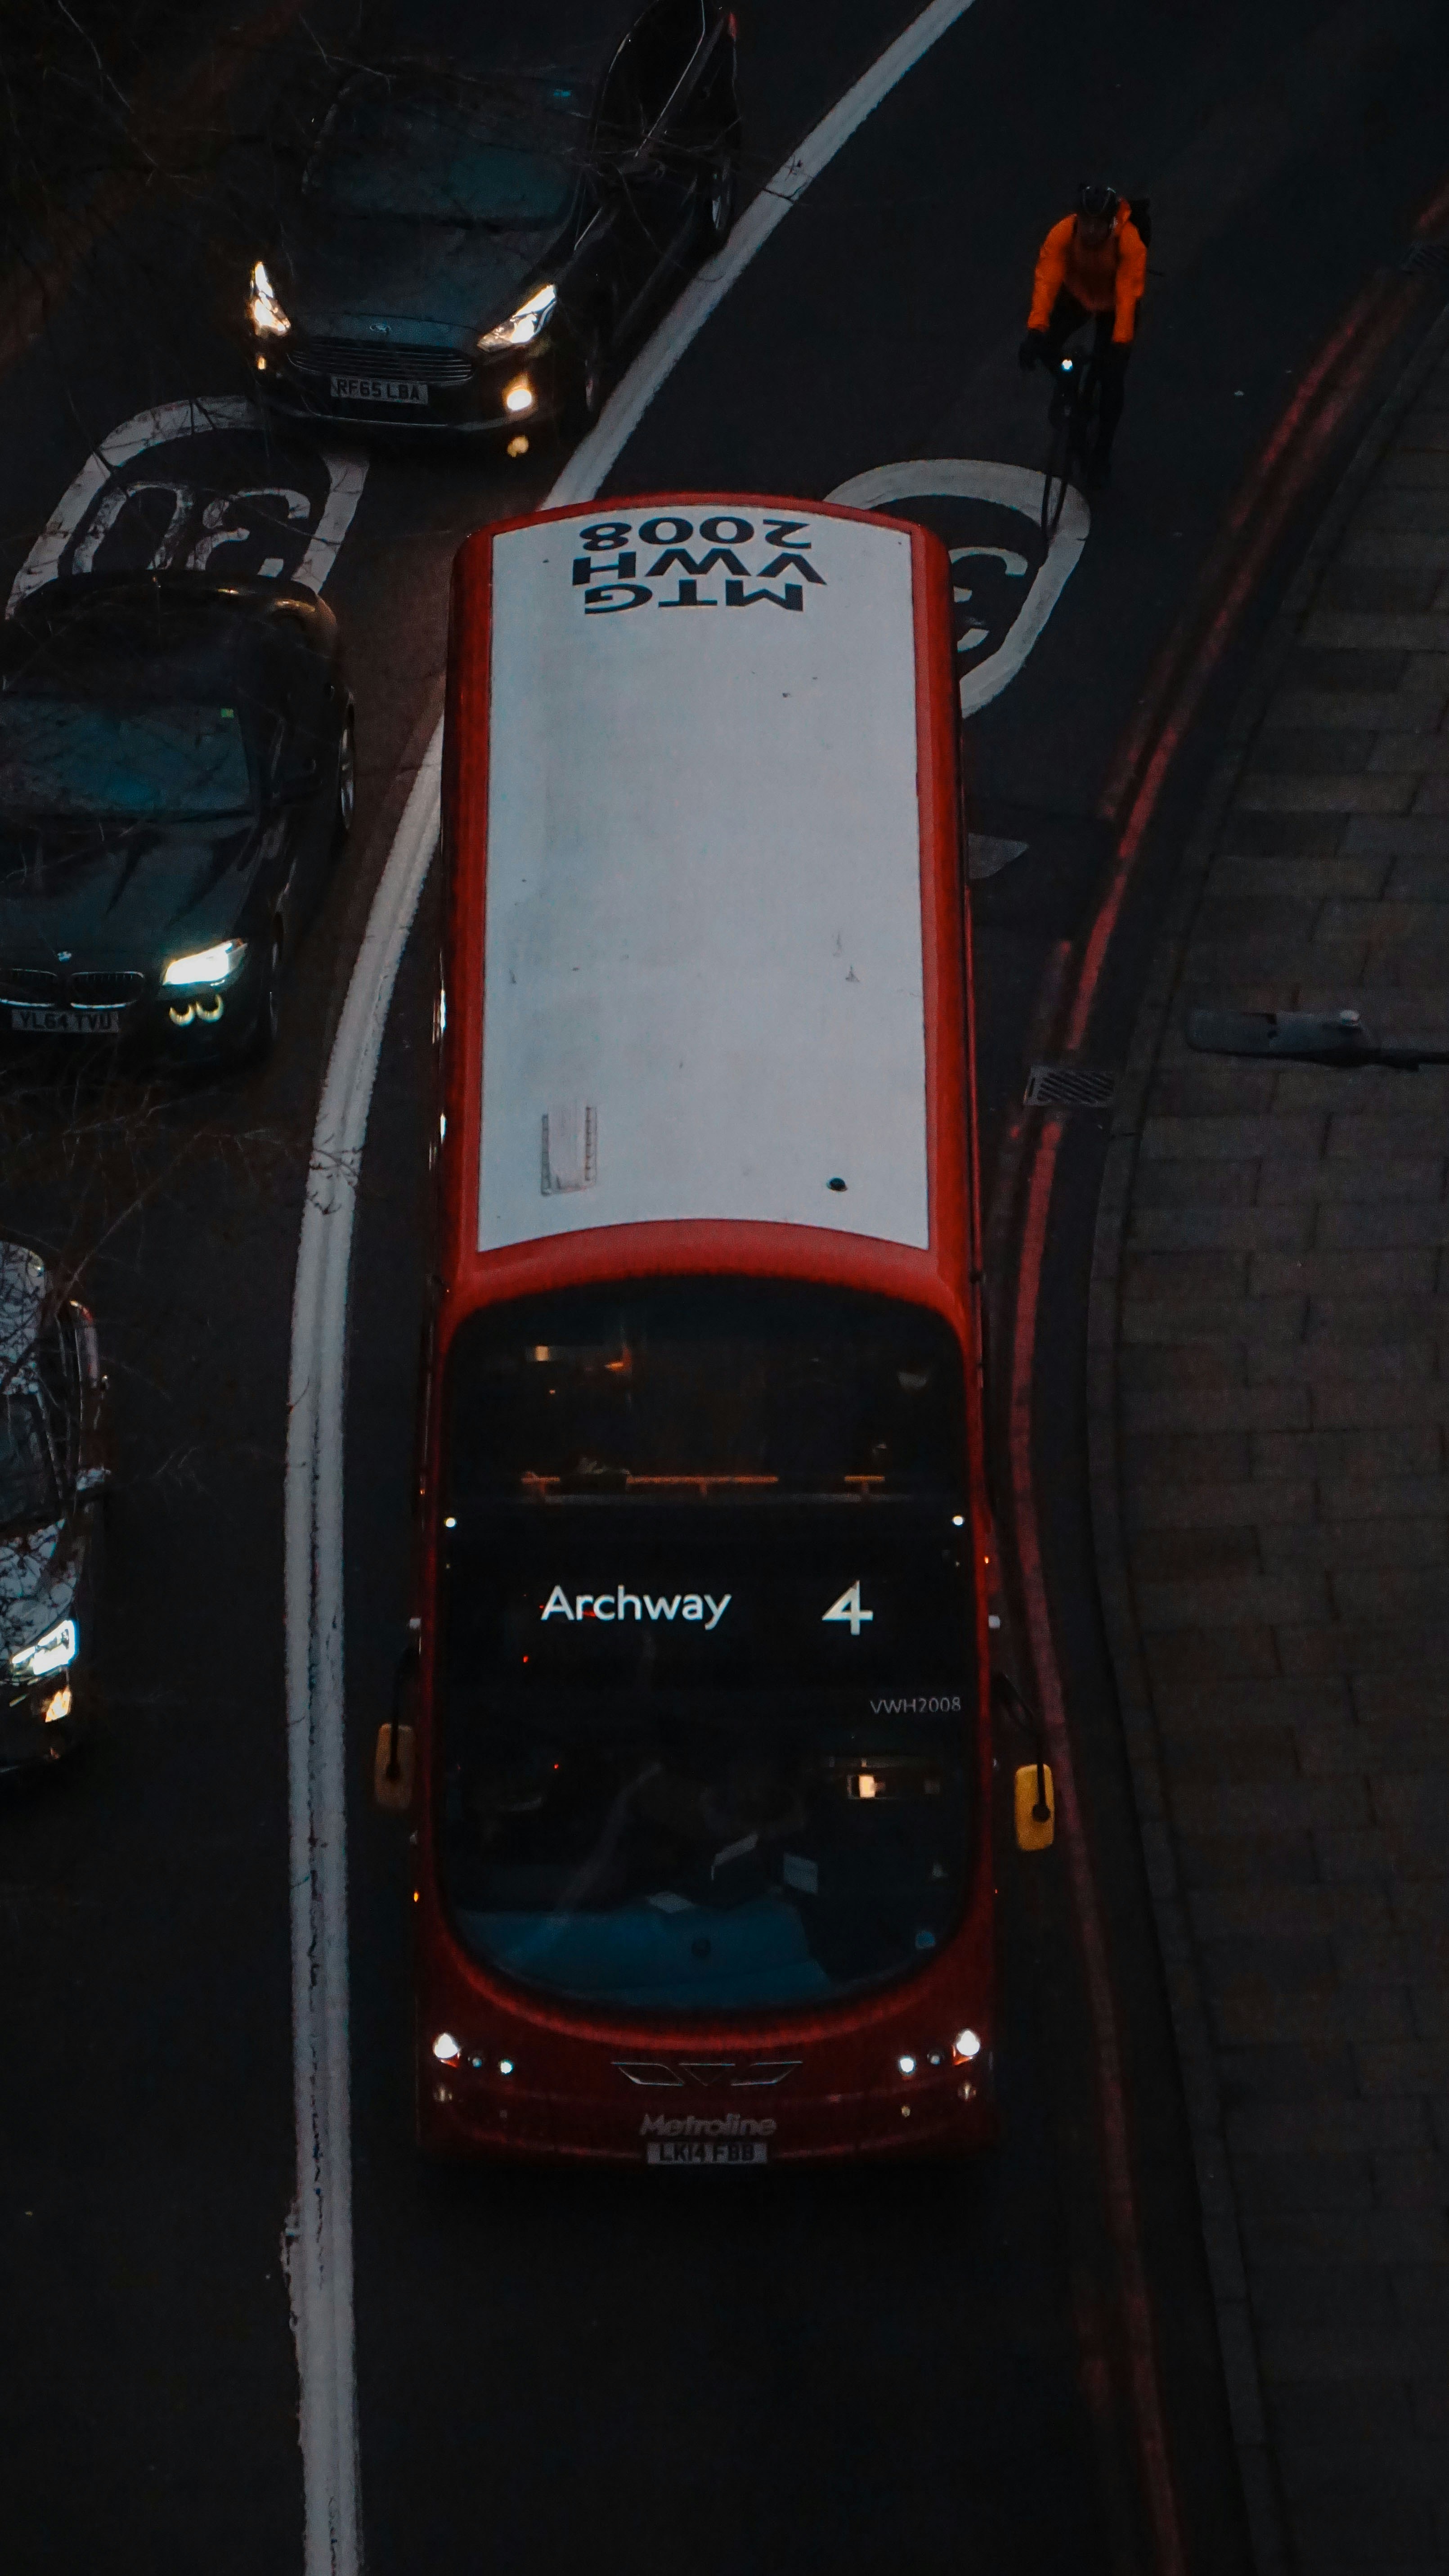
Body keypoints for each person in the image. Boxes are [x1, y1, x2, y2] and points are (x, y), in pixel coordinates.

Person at [1019, 182, 1147, 488]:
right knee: (1046, 347)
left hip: (1113, 306)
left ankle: (1101, 454)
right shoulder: (1062, 233)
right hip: (1076, 294)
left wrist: (1119, 343)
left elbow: (1128, 294)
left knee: (1112, 380)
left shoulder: (1129, 244)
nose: (1090, 231)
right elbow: (1047, 279)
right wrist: (1035, 330)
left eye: (1097, 225)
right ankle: (1070, 391)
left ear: (1110, 224)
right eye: (1085, 223)